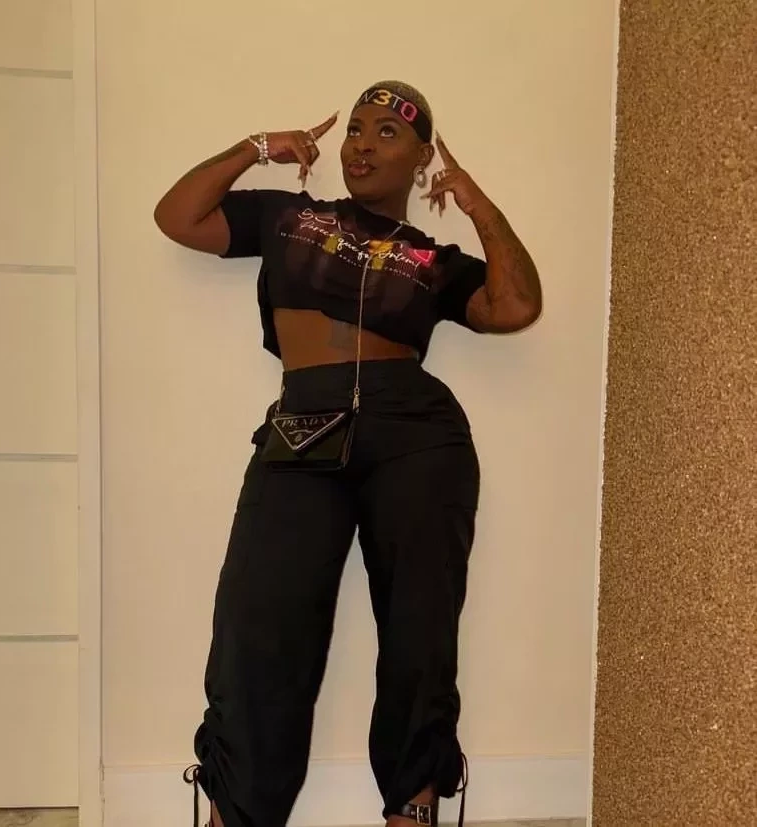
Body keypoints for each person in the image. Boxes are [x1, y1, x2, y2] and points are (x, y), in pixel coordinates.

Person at [154, 80, 542, 827]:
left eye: (386, 133)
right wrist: (257, 148)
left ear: (422, 157)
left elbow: (516, 305)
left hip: (416, 434)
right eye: (356, 129)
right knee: (259, 623)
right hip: (304, 423)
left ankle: (413, 806)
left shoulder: (433, 258)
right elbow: (178, 216)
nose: (362, 144)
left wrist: (478, 206)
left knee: (420, 625)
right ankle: (236, 810)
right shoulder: (289, 216)